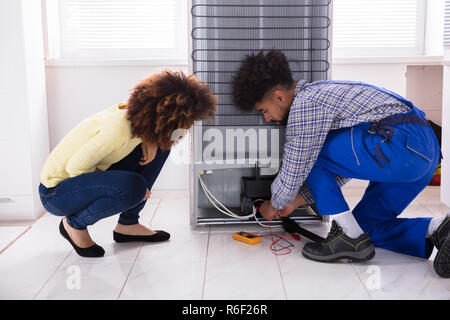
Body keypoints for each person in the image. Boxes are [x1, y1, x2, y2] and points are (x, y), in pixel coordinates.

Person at [231, 50, 449, 278]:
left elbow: (297, 166)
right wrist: (295, 202)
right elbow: (345, 166)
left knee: (309, 154)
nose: (266, 118)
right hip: (422, 155)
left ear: (279, 97)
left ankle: (349, 235)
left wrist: (275, 203)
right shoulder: (323, 96)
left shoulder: (306, 104)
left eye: (264, 110)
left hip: (402, 143)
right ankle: (439, 227)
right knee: (367, 227)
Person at [39, 70, 217, 258]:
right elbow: (75, 168)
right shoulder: (118, 132)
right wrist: (125, 187)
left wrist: (149, 140)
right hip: (56, 193)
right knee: (133, 187)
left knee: (162, 148)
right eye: (183, 126)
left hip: (75, 182)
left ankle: (128, 224)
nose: (185, 132)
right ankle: (74, 225)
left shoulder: (134, 116)